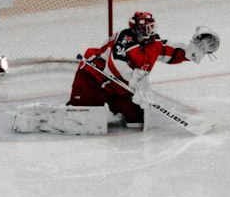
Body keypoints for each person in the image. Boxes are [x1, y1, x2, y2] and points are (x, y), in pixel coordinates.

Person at [68, 10, 218, 126]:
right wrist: (136, 82)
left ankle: (118, 109)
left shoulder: (153, 42)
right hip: (95, 78)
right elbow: (115, 65)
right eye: (147, 28)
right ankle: (73, 111)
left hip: (121, 87)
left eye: (152, 26)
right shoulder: (124, 38)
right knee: (82, 118)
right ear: (137, 29)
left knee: (137, 121)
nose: (151, 31)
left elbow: (170, 52)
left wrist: (195, 51)